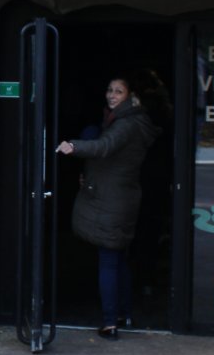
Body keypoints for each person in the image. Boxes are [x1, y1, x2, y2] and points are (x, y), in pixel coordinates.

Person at [56, 77, 160, 340]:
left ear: (130, 96)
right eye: (109, 90)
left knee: (109, 263)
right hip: (122, 198)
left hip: (113, 201)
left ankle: (109, 322)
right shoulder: (128, 121)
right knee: (117, 258)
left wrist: (74, 146)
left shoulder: (126, 124)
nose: (112, 95)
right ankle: (123, 314)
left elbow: (105, 147)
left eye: (118, 91)